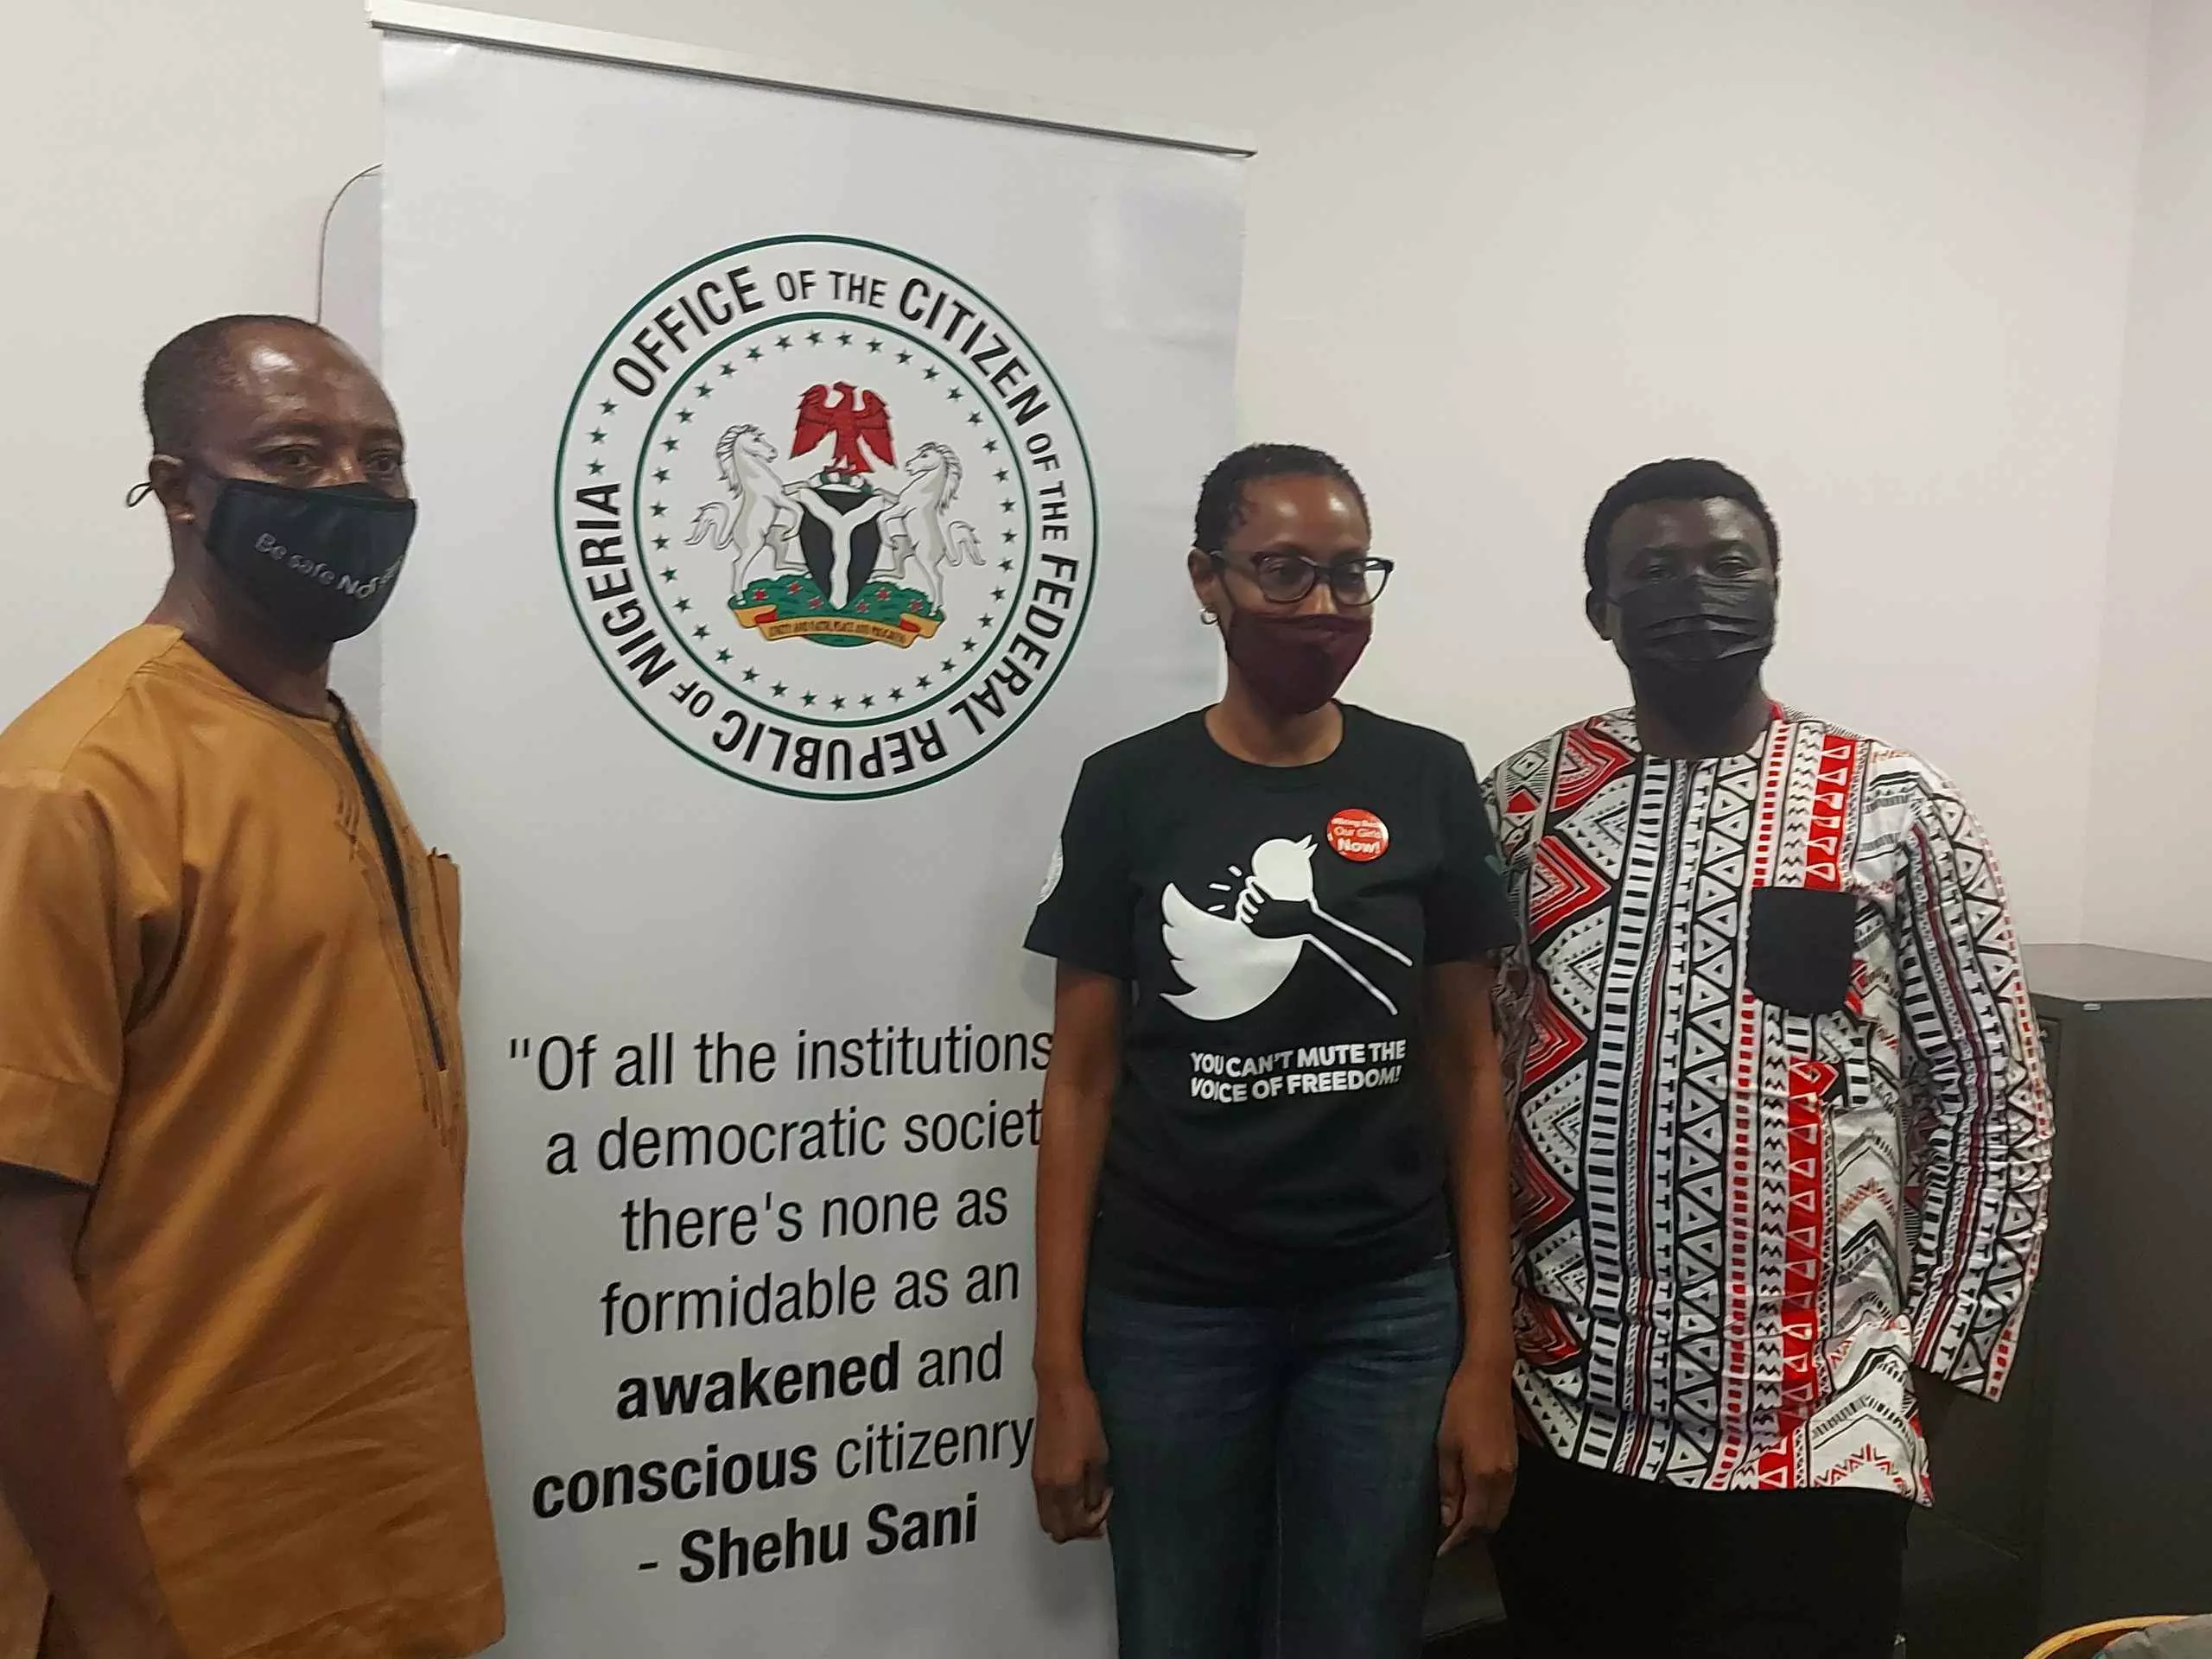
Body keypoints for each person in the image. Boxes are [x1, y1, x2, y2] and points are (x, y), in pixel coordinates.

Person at [1484, 458, 2052, 1659]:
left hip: (1816, 1431)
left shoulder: (1896, 804)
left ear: (1776, 586)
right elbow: (1473, 1079)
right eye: (1655, 571)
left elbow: (1997, 1101)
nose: (1698, 593)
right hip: (1568, 1421)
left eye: (1729, 563)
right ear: (1602, 612)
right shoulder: (1526, 804)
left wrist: (1927, 1369)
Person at [0, 315, 503, 1659]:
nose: (355, 491)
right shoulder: (75, 786)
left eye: (382, 461)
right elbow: (9, 1257)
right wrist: (117, 1624)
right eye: (298, 454)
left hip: (368, 1541)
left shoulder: (325, 739)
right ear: (177, 487)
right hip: (177, 1576)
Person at [1024, 444, 1519, 1659]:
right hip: (1172, 1311)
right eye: (1284, 573)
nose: (1322, 609)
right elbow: (1080, 1086)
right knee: (1180, 1631)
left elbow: (1467, 1071)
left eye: (1350, 577)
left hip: (1388, 1312)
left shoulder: (1427, 775)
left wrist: (1484, 1357)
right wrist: (1059, 1374)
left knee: (1360, 1636)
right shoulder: (1131, 787)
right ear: (1209, 580)